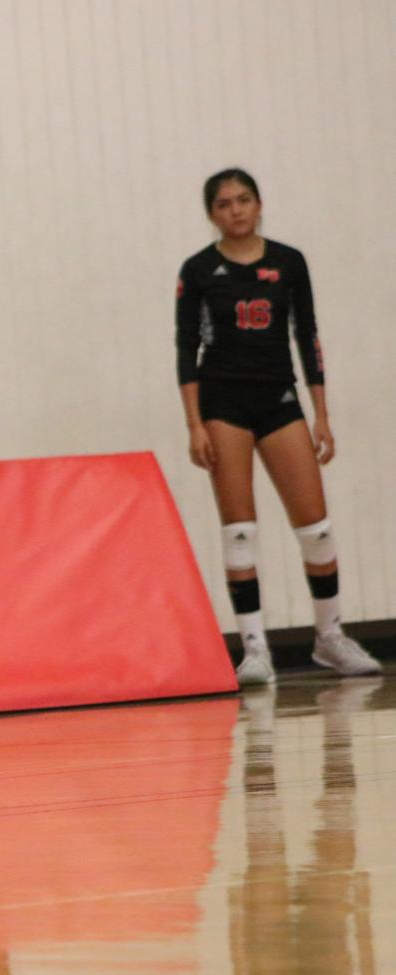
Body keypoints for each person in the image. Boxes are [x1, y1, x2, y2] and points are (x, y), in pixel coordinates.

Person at [175, 168, 380, 687]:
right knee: (239, 530)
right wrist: (194, 423)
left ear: (259, 204)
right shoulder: (198, 270)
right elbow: (186, 350)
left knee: (317, 527)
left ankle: (330, 637)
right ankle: (254, 648)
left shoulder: (289, 262)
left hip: (279, 398)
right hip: (223, 403)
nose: (236, 210)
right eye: (224, 204)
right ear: (211, 214)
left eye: (244, 200)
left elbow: (306, 334)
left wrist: (322, 412)